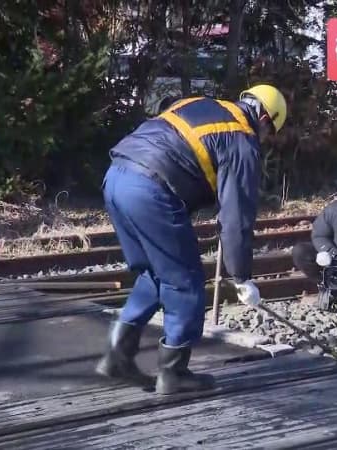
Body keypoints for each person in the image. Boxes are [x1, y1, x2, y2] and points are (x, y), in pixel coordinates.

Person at [95, 84, 287, 394]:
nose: (267, 138)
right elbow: (236, 217)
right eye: (270, 131)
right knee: (185, 281)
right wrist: (242, 277)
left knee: (154, 274)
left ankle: (117, 355)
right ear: (265, 116)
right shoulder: (242, 138)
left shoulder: (203, 104)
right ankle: (174, 374)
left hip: (116, 176)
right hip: (150, 190)